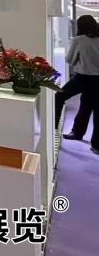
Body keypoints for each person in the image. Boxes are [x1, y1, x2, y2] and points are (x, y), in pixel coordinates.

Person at [56, 15, 99, 154]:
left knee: (59, 97)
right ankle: (96, 145)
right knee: (92, 106)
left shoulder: (78, 40)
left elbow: (70, 60)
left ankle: (56, 130)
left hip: (83, 77)